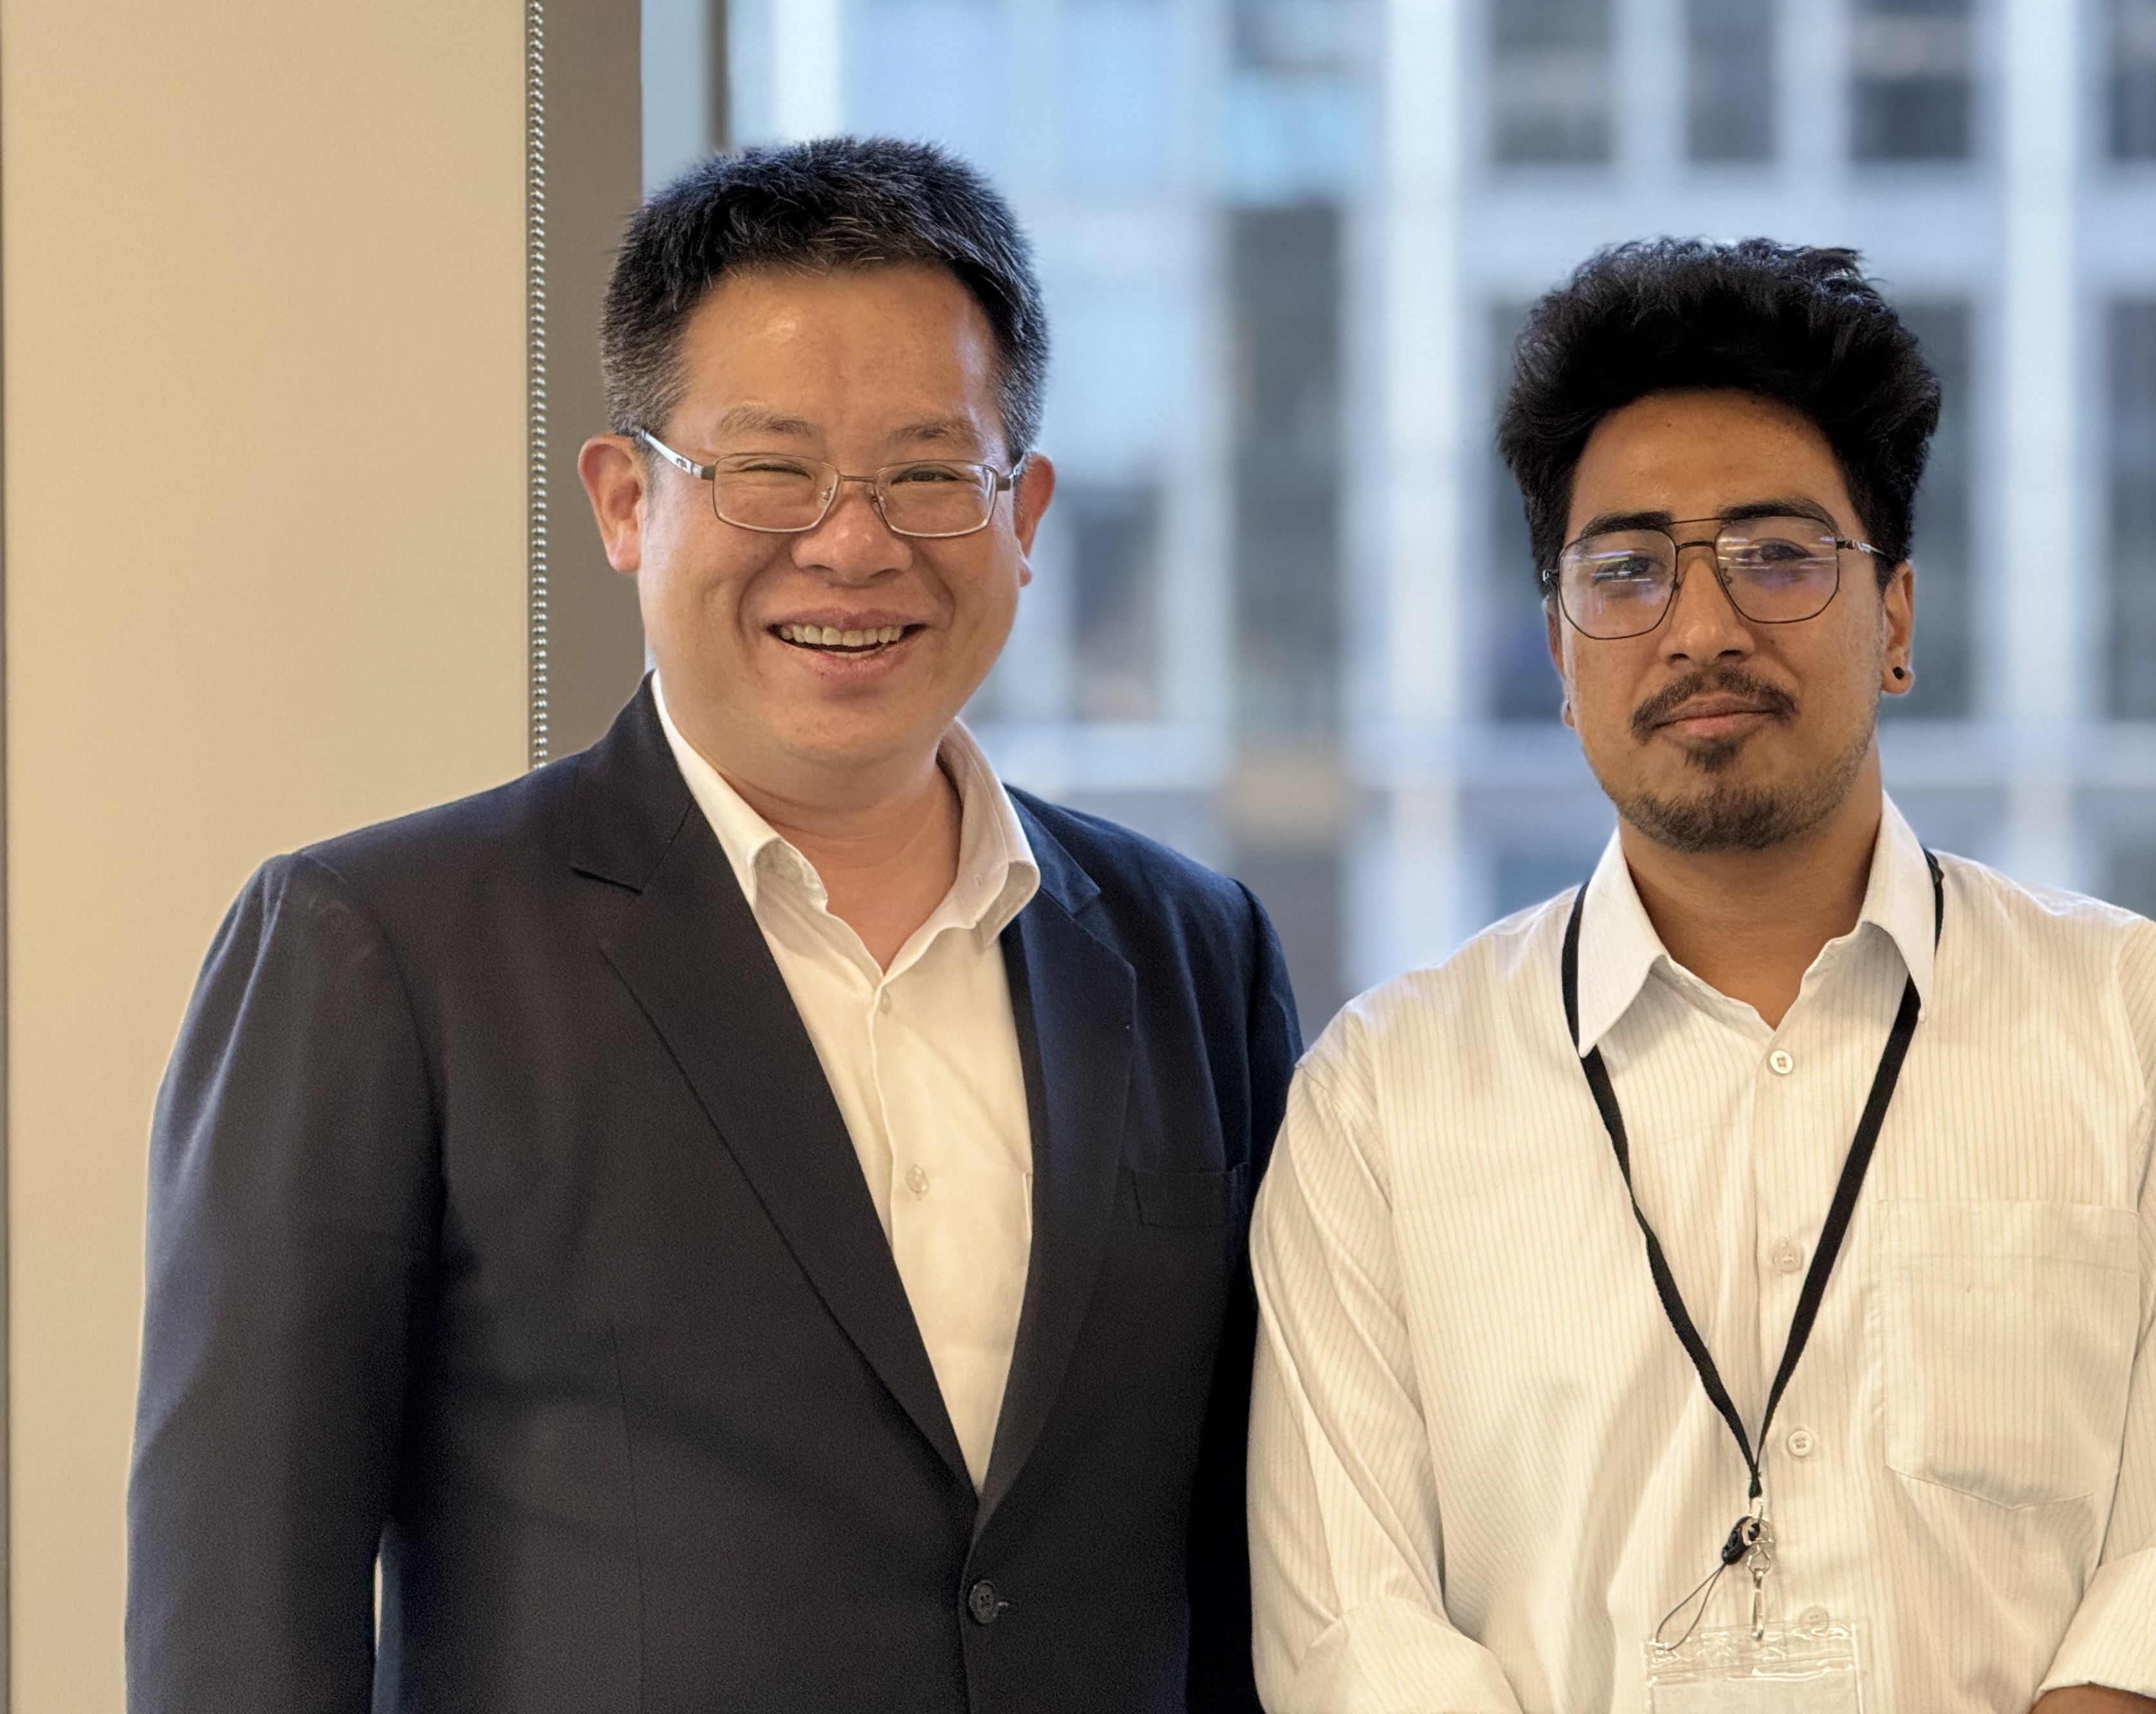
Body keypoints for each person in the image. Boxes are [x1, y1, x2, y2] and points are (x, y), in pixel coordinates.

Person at [128, 136, 1298, 1714]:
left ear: (1021, 513)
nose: (853, 543)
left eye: (927, 473)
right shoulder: (380, 951)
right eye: (770, 470)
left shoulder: (1193, 954)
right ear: (627, 502)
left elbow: (1252, 1570)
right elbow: (238, 1620)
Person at [1247, 239, 2156, 1714]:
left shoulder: (2146, 1030)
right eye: (1628, 570)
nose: (1703, 628)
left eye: (1777, 556)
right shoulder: (1382, 1099)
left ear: (1896, 619)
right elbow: (1352, 1640)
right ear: (1560, 649)